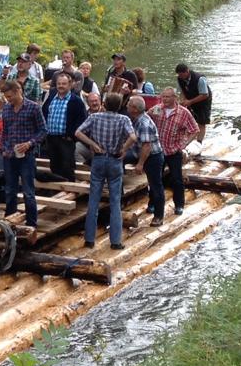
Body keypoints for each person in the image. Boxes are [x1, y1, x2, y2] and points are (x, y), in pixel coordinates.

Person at [76, 92, 137, 250]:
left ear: (104, 104)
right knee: (115, 202)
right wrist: (124, 149)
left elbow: (78, 133)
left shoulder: (94, 117)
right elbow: (133, 137)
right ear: (119, 105)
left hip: (98, 159)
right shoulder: (124, 119)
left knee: (93, 201)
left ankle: (89, 240)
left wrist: (93, 144)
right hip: (115, 160)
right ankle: (115, 242)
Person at [0, 79, 46, 228]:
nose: (8, 99)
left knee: (28, 192)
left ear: (18, 91)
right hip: (10, 156)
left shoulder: (33, 107)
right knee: (10, 191)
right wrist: (4, 148)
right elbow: (5, 131)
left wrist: (30, 143)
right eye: (6, 97)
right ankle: (9, 223)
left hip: (27, 156)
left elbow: (43, 130)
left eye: (10, 96)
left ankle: (31, 225)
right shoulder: (7, 109)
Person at [149, 86, 199, 216]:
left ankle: (179, 205)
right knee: (155, 179)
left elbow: (194, 130)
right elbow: (146, 118)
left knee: (177, 179)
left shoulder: (183, 113)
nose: (164, 99)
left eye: (167, 97)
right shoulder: (158, 109)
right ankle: (152, 203)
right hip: (158, 151)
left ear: (174, 98)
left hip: (174, 151)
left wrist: (184, 145)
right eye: (163, 97)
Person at [42, 70, 87, 181]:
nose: (61, 86)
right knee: (54, 166)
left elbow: (82, 121)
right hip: (51, 138)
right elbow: (43, 113)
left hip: (66, 139)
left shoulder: (76, 101)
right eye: (59, 84)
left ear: (70, 85)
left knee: (67, 167)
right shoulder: (51, 98)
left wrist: (72, 136)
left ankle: (69, 186)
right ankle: (56, 188)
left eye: (64, 84)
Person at [129, 94, 164, 226]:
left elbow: (147, 146)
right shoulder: (136, 119)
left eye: (129, 105)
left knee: (156, 186)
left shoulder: (143, 123)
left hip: (152, 157)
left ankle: (159, 216)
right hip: (142, 153)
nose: (126, 106)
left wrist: (140, 164)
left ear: (135, 109)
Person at [174, 62, 212, 142]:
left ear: (187, 71)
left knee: (201, 122)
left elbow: (204, 95)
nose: (181, 77)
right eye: (179, 75)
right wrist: (182, 101)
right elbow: (182, 92)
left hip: (203, 101)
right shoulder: (179, 79)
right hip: (190, 99)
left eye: (182, 75)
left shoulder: (200, 79)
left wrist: (190, 102)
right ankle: (189, 140)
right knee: (189, 120)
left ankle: (199, 142)